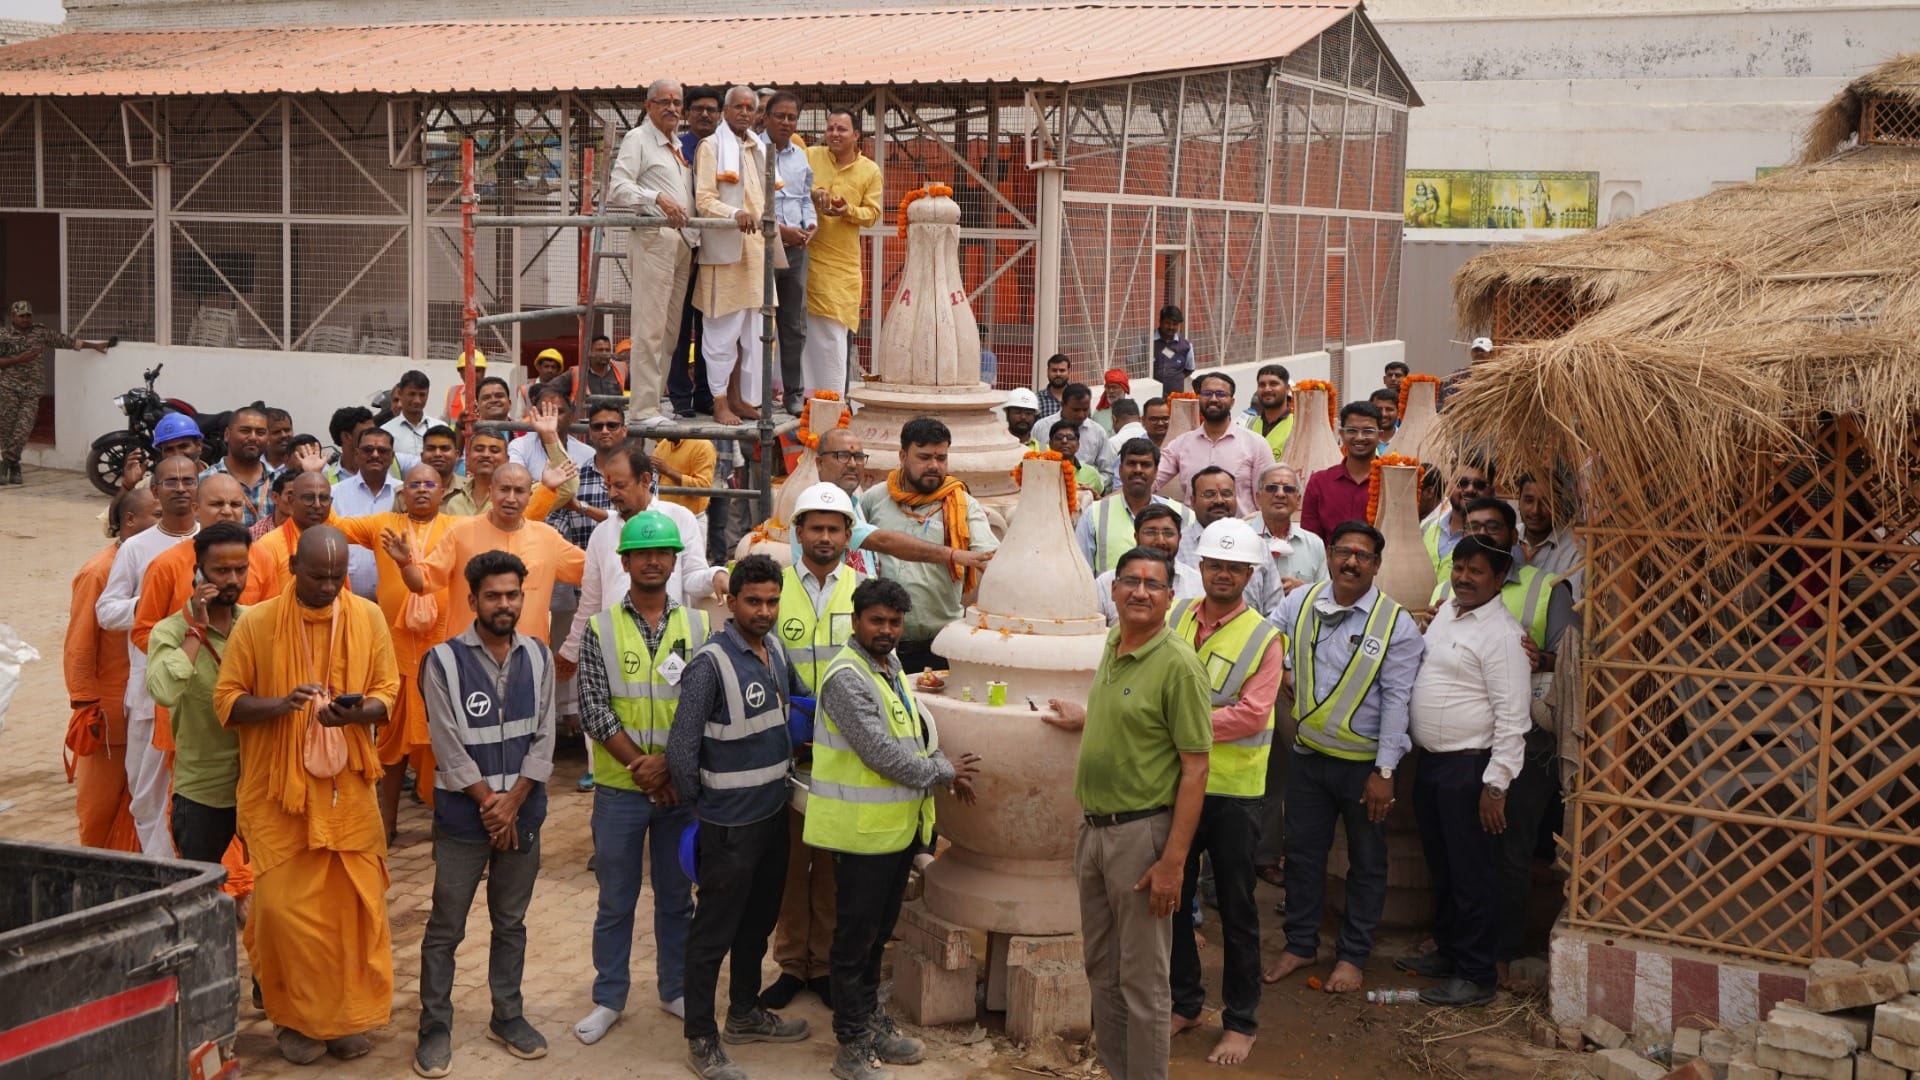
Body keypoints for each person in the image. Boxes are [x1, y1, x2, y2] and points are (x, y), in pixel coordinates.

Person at [213, 525, 400, 1064]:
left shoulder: (367, 617)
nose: (327, 586)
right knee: (281, 914)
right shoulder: (258, 623)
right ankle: (294, 1020)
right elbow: (227, 701)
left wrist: (354, 714)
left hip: (349, 793)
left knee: (353, 912)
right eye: (318, 576)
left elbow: (388, 694)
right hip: (279, 796)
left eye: (337, 578)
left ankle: (344, 1019)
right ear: (293, 568)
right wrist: (282, 705)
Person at [1042, 546, 1211, 1080]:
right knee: (1102, 969)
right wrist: (1086, 717)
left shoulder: (1179, 665)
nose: (1140, 592)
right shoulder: (1115, 641)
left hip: (1142, 838)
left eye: (1153, 584)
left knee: (1143, 981)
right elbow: (1133, 721)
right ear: (1113, 590)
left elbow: (1196, 769)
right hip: (1095, 830)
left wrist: (1174, 863)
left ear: (1170, 596)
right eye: (1130, 581)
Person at [808, 578, 978, 1080]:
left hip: (892, 829)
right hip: (861, 833)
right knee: (855, 940)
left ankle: (869, 1023)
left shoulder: (889, 665)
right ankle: (850, 1045)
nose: (886, 630)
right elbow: (880, 753)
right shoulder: (846, 677)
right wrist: (943, 770)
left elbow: (908, 735)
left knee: (877, 936)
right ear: (856, 621)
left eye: (895, 622)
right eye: (877, 620)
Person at [1261, 522, 1424, 994]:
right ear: (1329, 555)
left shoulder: (1395, 624)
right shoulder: (1301, 601)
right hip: (1308, 759)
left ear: (1377, 564)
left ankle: (1353, 956)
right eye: (1344, 552)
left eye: (1363, 555)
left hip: (1363, 769)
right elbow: (1267, 638)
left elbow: (1397, 701)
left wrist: (1385, 772)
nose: (1351, 562)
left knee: (1367, 862)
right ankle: (1300, 944)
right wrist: (1283, 666)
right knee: (1302, 855)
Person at [666, 555, 812, 1080]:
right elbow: (680, 750)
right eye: (753, 601)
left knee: (758, 923)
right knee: (713, 933)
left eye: (772, 601)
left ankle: (745, 1013)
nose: (764, 611)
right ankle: (701, 1039)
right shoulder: (710, 663)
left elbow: (799, 704)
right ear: (730, 601)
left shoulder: (775, 650)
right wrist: (701, 813)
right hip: (728, 825)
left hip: (773, 815)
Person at [413, 550, 557, 1075]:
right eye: (493, 596)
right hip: (462, 819)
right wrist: (490, 803)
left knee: (511, 922)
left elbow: (545, 735)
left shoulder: (539, 656)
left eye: (512, 594)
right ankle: (434, 1027)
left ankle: (507, 1015)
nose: (504, 604)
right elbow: (447, 743)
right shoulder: (442, 661)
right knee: (446, 926)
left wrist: (513, 802)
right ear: (472, 600)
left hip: (523, 813)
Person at [573, 511, 709, 1046]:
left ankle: (674, 989)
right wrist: (644, 769)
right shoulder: (599, 628)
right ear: (624, 562)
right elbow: (594, 708)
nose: (653, 561)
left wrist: (670, 767)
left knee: (677, 898)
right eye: (642, 554)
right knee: (616, 899)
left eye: (662, 553)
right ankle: (609, 998)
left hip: (679, 792)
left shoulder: (699, 627)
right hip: (620, 791)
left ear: (674, 561)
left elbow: (703, 708)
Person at [1439, 498, 1573, 986]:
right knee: (1467, 852)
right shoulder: (1452, 584)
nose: (1481, 534)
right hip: (1470, 745)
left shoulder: (1546, 587)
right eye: (1472, 526)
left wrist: (1541, 658)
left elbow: (1569, 660)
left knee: (1510, 848)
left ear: (1512, 539)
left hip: (1525, 739)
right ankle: (1459, 944)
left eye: (1492, 528)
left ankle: (1501, 950)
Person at [1165, 518, 1284, 1067]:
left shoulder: (1264, 637)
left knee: (1236, 909)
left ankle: (1240, 1022)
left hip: (1233, 792)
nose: (1224, 575)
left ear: (1249, 574)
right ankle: (1186, 1003)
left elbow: (1253, 714)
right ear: (1202, 565)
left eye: (1235, 568)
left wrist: (1176, 723)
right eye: (1216, 565)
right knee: (1172, 898)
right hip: (1175, 782)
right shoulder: (1175, 617)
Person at [1397, 535, 1530, 1007]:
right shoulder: (1446, 614)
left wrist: (1495, 786)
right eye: (1459, 568)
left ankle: (1475, 975)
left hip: (1471, 769)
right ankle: (1451, 952)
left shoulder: (1504, 635)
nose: (1464, 578)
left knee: (1473, 874)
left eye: (1476, 571)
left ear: (1499, 578)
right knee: (1445, 868)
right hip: (1433, 764)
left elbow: (1513, 718)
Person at [560, 445, 726, 789]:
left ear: (646, 479)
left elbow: (693, 577)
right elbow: (590, 603)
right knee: (607, 716)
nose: (612, 493)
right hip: (612, 649)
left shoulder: (679, 518)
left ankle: (668, 770)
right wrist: (570, 651)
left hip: (670, 644)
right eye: (608, 485)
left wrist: (716, 576)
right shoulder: (602, 533)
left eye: (620, 485)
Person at [764, 483, 870, 1012]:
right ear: (798, 532)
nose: (824, 537)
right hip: (784, 749)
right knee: (789, 863)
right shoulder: (774, 589)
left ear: (848, 534)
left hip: (841, 751)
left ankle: (824, 965)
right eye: (815, 528)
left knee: (830, 865)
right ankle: (790, 964)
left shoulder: (863, 590)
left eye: (834, 528)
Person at [337, 463, 458, 841]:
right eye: (414, 484)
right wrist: (313, 475)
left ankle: (446, 825)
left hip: (441, 655)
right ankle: (386, 823)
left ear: (442, 491)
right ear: (402, 492)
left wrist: (549, 490)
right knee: (390, 746)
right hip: (393, 654)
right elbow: (333, 524)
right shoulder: (383, 525)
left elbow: (511, 521)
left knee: (442, 746)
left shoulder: (456, 528)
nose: (421, 490)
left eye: (429, 484)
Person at [96, 455, 200, 856]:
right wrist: (154, 603)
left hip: (202, 691)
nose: (180, 488)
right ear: (155, 491)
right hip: (149, 692)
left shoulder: (213, 542)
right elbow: (107, 611)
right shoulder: (136, 548)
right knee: (146, 797)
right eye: (170, 481)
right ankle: (161, 872)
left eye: (188, 480)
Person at [146, 522, 253, 867]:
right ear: (198, 573)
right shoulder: (169, 632)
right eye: (221, 571)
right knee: (196, 885)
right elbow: (163, 691)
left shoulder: (256, 623)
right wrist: (196, 630)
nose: (233, 580)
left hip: (257, 783)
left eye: (241, 569)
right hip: (203, 789)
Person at [859, 417, 1000, 674]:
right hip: (881, 645)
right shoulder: (874, 500)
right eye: (924, 457)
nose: (934, 466)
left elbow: (990, 557)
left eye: (941, 458)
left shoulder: (962, 504)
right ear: (902, 456)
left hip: (941, 644)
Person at [65, 487, 158, 851]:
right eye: (157, 514)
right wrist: (85, 703)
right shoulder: (99, 571)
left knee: (144, 805)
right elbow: (80, 644)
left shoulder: (159, 562)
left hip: (147, 706)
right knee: (99, 809)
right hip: (107, 715)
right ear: (130, 521)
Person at [405, 463, 588, 641]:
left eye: (519, 491)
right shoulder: (460, 532)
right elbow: (421, 582)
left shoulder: (547, 538)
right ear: (491, 492)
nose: (511, 498)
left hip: (529, 654)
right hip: (468, 652)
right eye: (504, 489)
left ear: (529, 496)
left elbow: (593, 570)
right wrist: (404, 563)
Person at [609, 77, 697, 425]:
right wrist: (656, 198)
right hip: (653, 237)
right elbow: (618, 188)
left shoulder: (676, 144)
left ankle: (654, 403)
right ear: (649, 106)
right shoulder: (638, 138)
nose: (672, 108)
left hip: (682, 242)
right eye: (664, 102)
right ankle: (643, 409)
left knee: (670, 331)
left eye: (677, 102)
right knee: (650, 327)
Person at [695, 86, 774, 427]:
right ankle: (719, 401)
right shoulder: (711, 146)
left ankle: (739, 398)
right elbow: (703, 200)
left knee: (749, 334)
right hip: (725, 251)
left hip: (756, 252)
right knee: (721, 334)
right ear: (724, 111)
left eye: (750, 107)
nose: (744, 112)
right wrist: (734, 213)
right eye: (737, 106)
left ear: (757, 114)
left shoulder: (758, 147)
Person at [804, 108, 882, 399]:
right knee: (799, 330)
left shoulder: (869, 170)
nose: (834, 134)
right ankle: (798, 397)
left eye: (842, 129)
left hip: (841, 266)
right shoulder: (810, 156)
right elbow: (788, 186)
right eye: (830, 128)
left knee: (832, 333)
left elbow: (872, 214)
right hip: (803, 254)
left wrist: (847, 210)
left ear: (856, 135)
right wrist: (814, 193)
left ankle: (831, 399)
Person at [0, 299, 109, 484]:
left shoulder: (39, 333)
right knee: (6, 428)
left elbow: (66, 341)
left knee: (23, 429)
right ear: (12, 317)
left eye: (28, 315)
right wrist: (19, 359)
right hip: (8, 388)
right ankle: (13, 466)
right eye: (21, 316)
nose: (25, 319)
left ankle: (8, 463)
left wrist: (94, 346)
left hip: (32, 390)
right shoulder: (3, 336)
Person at [1154, 372, 1271, 513]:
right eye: (1207, 393)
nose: (1213, 399)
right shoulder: (1181, 444)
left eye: (1221, 394)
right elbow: (1151, 480)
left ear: (1232, 402)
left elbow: (1267, 498)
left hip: (1241, 526)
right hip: (1195, 527)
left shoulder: (1255, 445)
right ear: (1199, 398)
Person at [765, 91, 815, 417]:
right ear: (766, 117)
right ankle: (756, 394)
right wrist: (780, 231)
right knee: (757, 325)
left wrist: (810, 224)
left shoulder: (800, 157)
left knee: (793, 325)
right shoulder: (752, 151)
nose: (786, 122)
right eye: (780, 116)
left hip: (796, 250)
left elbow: (805, 197)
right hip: (762, 247)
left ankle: (794, 394)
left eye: (791, 117)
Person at [1076, 437, 1195, 574]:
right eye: (1131, 463)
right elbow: (1081, 572)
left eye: (1145, 465)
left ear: (1156, 471)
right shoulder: (1094, 514)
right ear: (1120, 470)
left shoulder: (1183, 515)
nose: (1138, 470)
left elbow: (1190, 572)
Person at [1093, 504, 1202, 625]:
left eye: (1168, 533)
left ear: (1179, 538)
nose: (1160, 541)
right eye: (1150, 533)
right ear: (1136, 537)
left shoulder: (1198, 584)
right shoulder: (1105, 583)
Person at [1243, 462, 1326, 616]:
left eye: (1288, 489)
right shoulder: (1240, 536)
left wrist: (1304, 591)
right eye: (1272, 488)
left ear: (1298, 499)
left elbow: (1327, 599)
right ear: (1258, 497)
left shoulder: (1314, 544)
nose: (1280, 494)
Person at [1298, 401, 1385, 543]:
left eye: (1368, 431)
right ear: (1341, 434)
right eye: (1352, 431)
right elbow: (1311, 541)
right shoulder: (1320, 482)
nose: (1359, 437)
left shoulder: (1391, 482)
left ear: (1380, 435)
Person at [332, 426, 401, 602]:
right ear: (357, 454)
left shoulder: (404, 494)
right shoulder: (335, 494)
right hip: (347, 599)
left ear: (392, 456)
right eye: (368, 450)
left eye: (382, 450)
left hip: (394, 602)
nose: (375, 455)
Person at [200, 405, 274, 528]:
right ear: (227, 434)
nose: (253, 437)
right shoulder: (204, 480)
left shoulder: (280, 482)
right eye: (245, 431)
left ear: (268, 439)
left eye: (260, 433)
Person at [1035, 383, 1118, 491]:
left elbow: (1107, 471)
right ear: (1063, 405)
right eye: (1076, 410)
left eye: (1085, 409)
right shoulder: (1041, 428)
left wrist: (1092, 485)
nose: (1081, 415)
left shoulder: (1098, 432)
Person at [1421, 458, 1496, 570]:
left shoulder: (1494, 539)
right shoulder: (1427, 526)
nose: (1470, 489)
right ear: (1448, 486)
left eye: (1479, 485)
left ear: (1492, 492)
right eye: (1462, 483)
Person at [1518, 473, 1583, 600]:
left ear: (1558, 505)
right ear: (1519, 501)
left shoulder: (1575, 550)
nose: (1535, 510)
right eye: (1529, 500)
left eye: (1546, 502)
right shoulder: (1508, 538)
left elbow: (1573, 605)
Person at [382, 370, 442, 460]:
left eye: (422, 395)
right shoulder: (385, 432)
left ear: (428, 395)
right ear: (400, 394)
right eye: (412, 394)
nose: (417, 400)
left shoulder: (440, 427)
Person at [551, 335, 629, 403]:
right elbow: (548, 389)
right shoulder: (576, 373)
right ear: (589, 351)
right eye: (600, 350)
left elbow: (636, 390)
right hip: (587, 416)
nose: (604, 353)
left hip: (615, 415)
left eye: (607, 350)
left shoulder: (622, 369)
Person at [1247, 365, 1294, 461]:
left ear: (1287, 389)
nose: (1267, 389)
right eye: (1262, 385)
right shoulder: (1249, 424)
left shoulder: (1297, 425)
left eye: (1273, 384)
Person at [1049, 421, 1105, 499]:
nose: (1064, 441)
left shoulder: (1092, 473)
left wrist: (1096, 496)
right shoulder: (1041, 470)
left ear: (1078, 445)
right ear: (1050, 444)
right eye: (1059, 437)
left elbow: (1100, 501)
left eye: (1070, 438)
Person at [325, 406, 376, 486]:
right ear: (346, 437)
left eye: (375, 431)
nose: (374, 436)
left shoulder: (394, 462)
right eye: (367, 433)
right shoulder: (325, 479)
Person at [1148, 305, 1193, 394]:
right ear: (1160, 322)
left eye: (1175, 324)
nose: (1171, 327)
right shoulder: (1146, 341)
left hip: (1175, 396)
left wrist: (1174, 379)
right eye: (1167, 323)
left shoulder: (1186, 346)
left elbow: (1189, 369)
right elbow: (1132, 363)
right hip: (1150, 393)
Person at [1002, 387, 1040, 451]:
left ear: (1034, 416)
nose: (1023, 417)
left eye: (1028, 413)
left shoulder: (1044, 450)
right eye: (1018, 412)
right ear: (1007, 414)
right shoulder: (995, 446)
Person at [1092, 368, 1130, 432]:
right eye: (1108, 387)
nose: (1111, 391)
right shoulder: (1098, 414)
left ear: (1124, 389)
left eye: (1114, 387)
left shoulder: (1135, 412)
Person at [1036, 354, 1070, 420]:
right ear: (1048, 372)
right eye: (1054, 370)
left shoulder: (1078, 397)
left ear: (1069, 372)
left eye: (1062, 370)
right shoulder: (1037, 399)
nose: (1058, 374)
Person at [262, 407, 294, 474]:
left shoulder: (302, 464)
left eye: (287, 430)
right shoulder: (252, 463)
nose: (284, 435)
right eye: (277, 432)